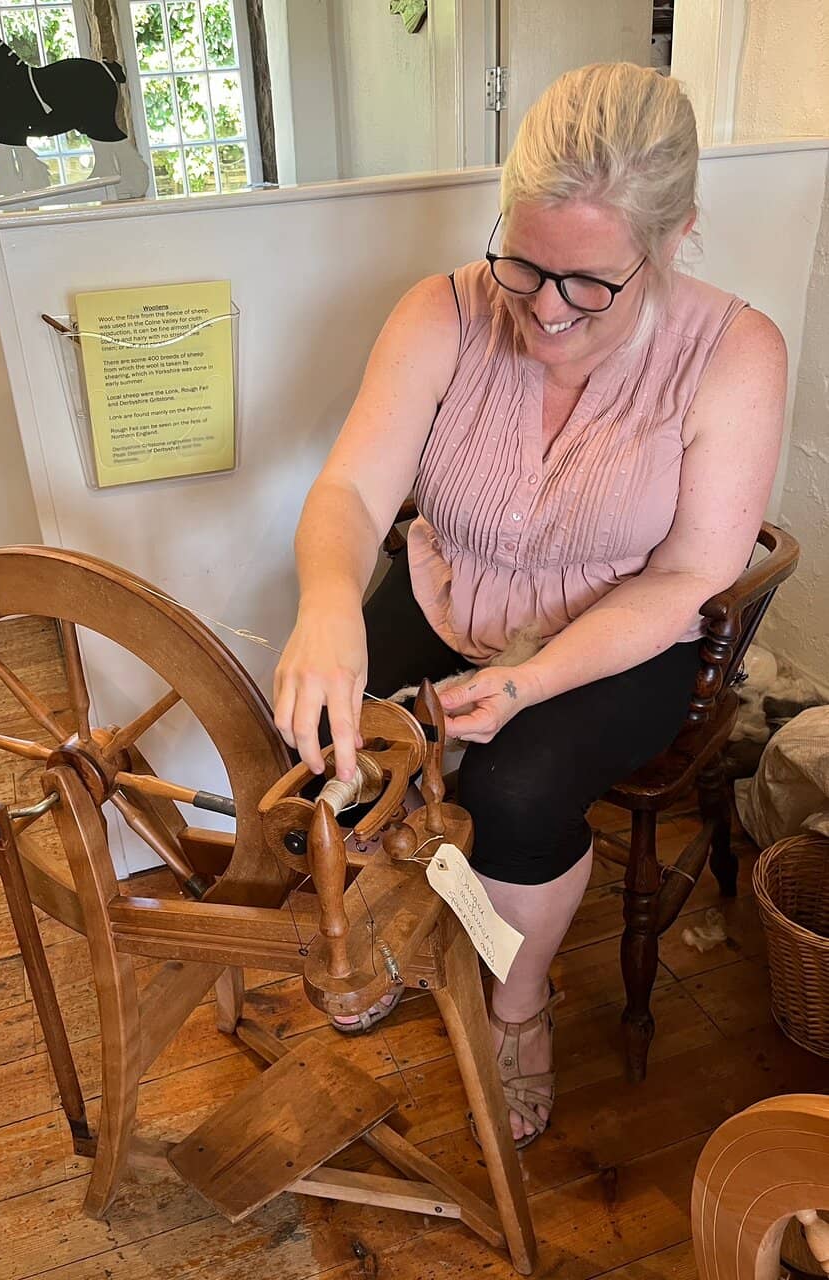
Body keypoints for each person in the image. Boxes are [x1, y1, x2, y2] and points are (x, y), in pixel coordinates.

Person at [272, 62, 786, 1146]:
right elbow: (353, 492)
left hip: (625, 629)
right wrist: (326, 603)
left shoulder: (734, 354)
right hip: (454, 591)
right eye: (524, 263)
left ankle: (518, 1004)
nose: (547, 310)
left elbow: (688, 576)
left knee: (513, 787)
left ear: (675, 238)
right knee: (332, 738)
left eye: (590, 283)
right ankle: (411, 924)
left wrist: (531, 682)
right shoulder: (445, 311)